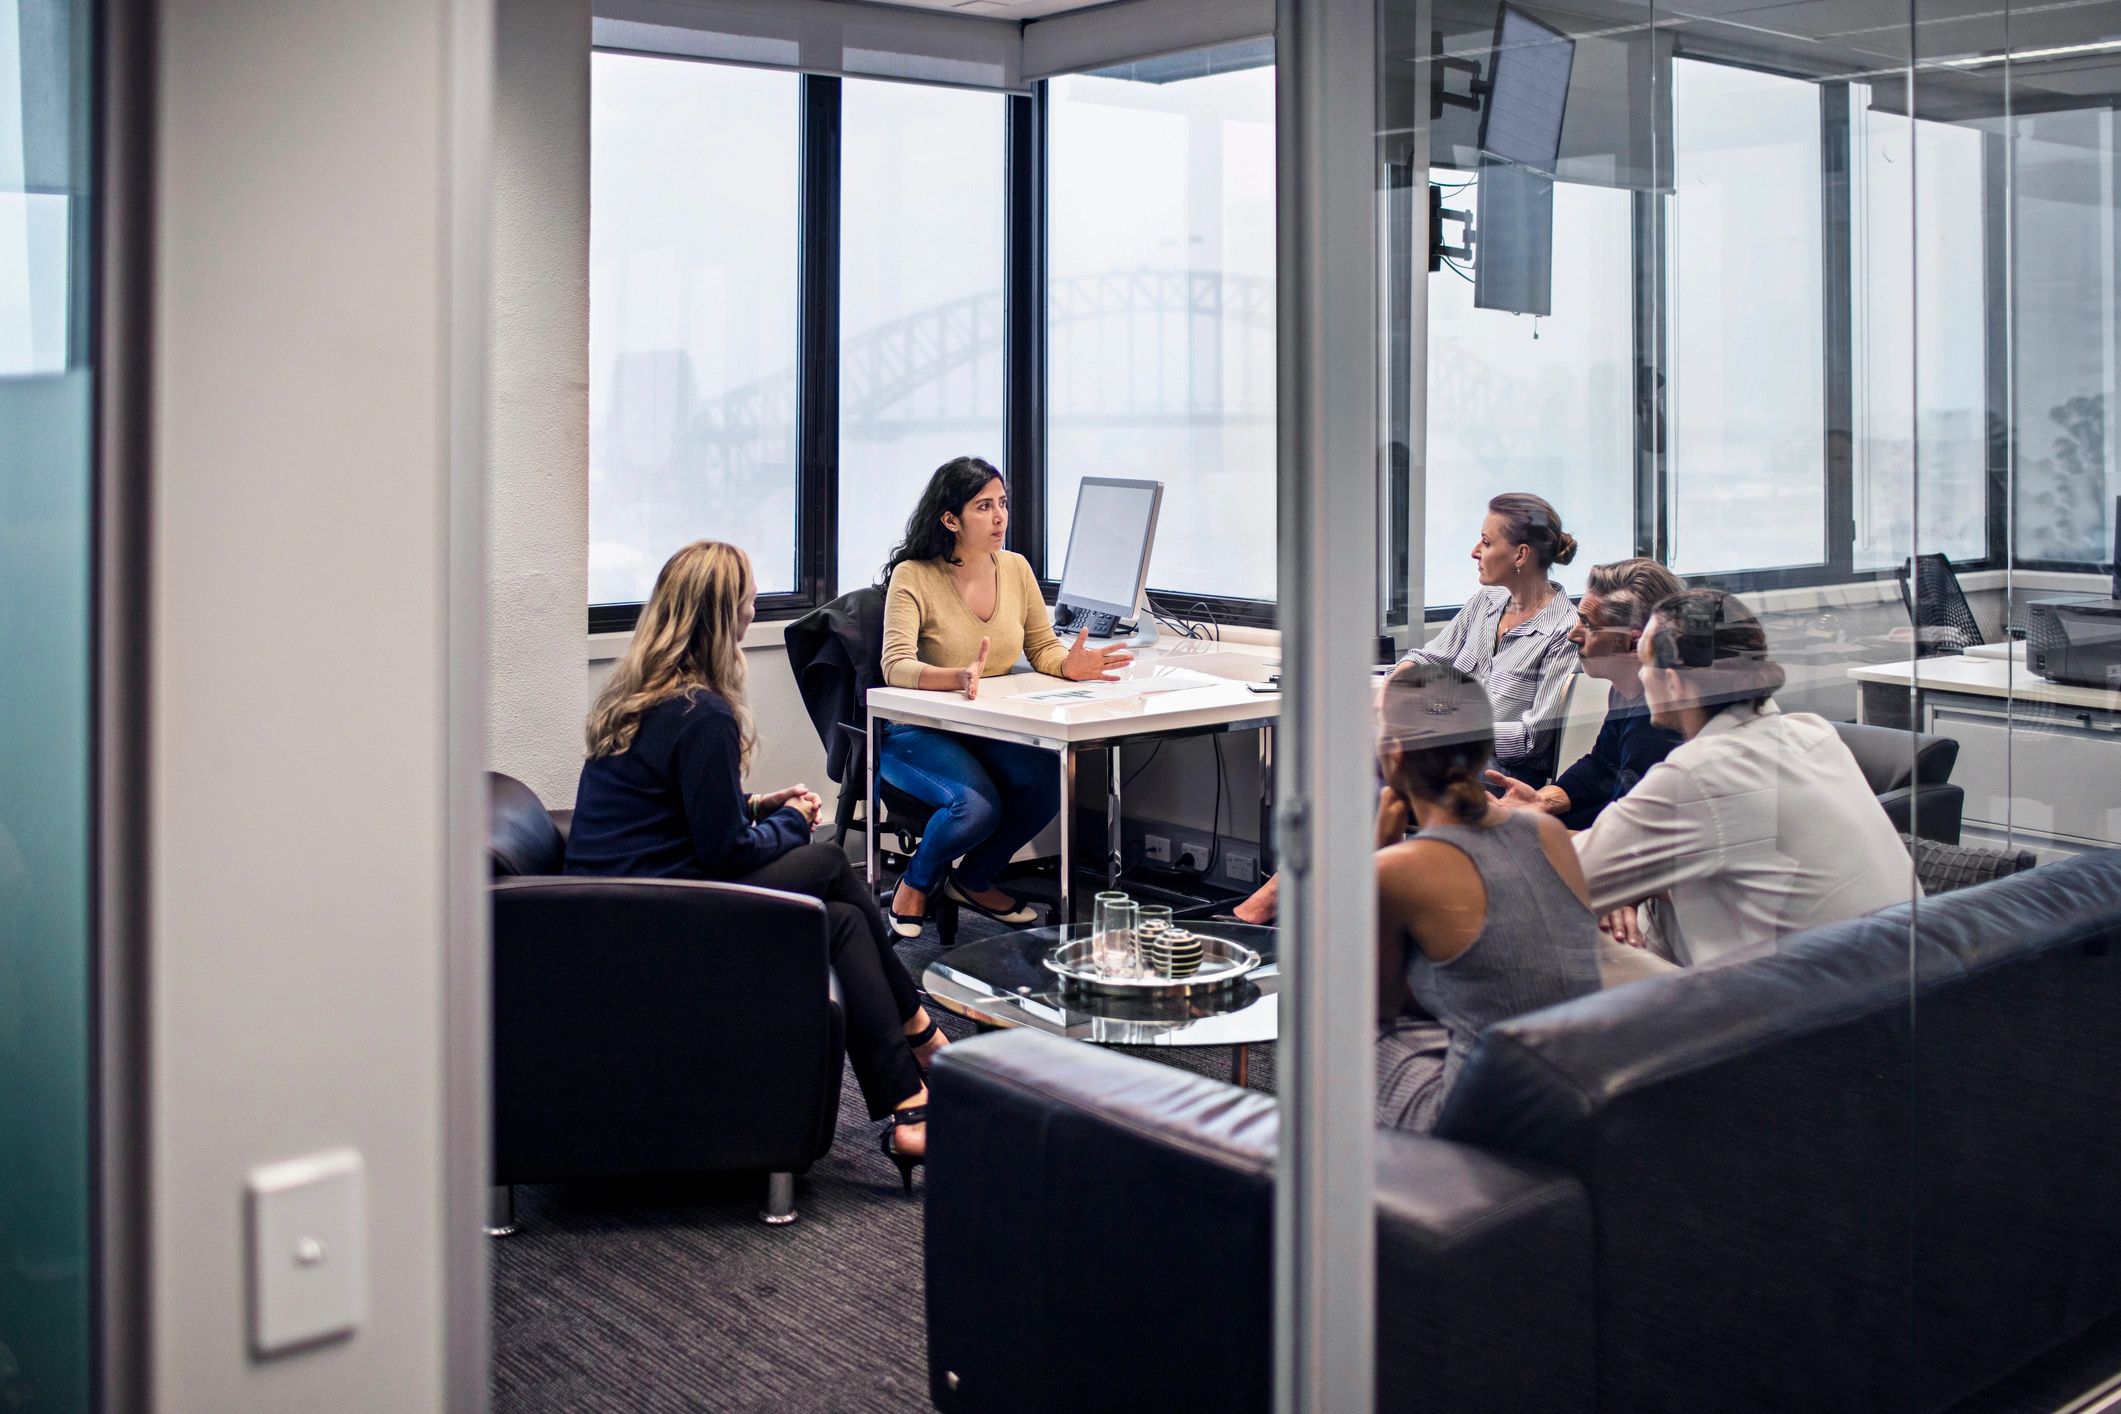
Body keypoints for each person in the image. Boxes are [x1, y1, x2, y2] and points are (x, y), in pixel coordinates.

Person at [564, 540, 944, 1184]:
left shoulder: (644, 694)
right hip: (654, 918)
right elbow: (725, 852)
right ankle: (921, 1036)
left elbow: (678, 812)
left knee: (844, 922)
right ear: (720, 616)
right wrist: (790, 821)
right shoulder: (701, 713)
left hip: (621, 907)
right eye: (746, 600)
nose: (753, 610)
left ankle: (910, 1107)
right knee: (828, 867)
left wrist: (760, 803)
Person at [1228, 491, 1582, 927]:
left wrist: (1450, 728)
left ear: (1521, 554)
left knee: (1372, 778)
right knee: (1359, 764)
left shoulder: (1563, 630)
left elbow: (1533, 737)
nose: (1475, 551)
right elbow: (1430, 657)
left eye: (1487, 543)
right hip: (1441, 753)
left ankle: (1284, 903)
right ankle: (1316, 907)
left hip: (1495, 773)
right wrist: (1391, 692)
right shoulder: (1485, 605)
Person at [1572, 587, 1920, 967]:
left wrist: (1524, 827)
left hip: (1803, 1009)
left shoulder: (1699, 773)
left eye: (1644, 662)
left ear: (1674, 683)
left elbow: (1565, 879)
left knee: (1589, 942)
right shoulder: (1813, 732)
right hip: (1898, 985)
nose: (1641, 675)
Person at [877, 456, 1132, 936]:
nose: (1000, 518)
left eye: (1003, 504)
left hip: (984, 727)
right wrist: (955, 677)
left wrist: (1068, 665)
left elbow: (1041, 647)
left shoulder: (1015, 568)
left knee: (1047, 781)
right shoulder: (914, 575)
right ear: (950, 519)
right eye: (983, 507)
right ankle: (916, 883)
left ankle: (972, 878)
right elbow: (895, 666)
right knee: (975, 806)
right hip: (915, 731)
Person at [1371, 662, 1611, 1133]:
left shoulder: (1396, 870)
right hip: (1580, 1096)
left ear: (1394, 755)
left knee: (1331, 1022)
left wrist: (1379, 848)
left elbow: (1374, 1005)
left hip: (1483, 1116)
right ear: (1485, 752)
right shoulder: (1546, 830)